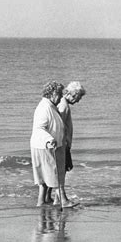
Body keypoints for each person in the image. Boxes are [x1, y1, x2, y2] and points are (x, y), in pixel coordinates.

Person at [30, 80, 76, 208]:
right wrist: (49, 139)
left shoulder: (50, 106)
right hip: (46, 146)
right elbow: (39, 128)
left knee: (47, 176)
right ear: (53, 93)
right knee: (55, 173)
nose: (62, 97)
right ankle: (63, 201)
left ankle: (42, 202)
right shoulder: (45, 108)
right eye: (60, 94)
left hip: (45, 145)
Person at [52, 81, 86, 205]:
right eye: (78, 97)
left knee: (63, 170)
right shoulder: (64, 106)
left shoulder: (63, 104)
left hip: (63, 142)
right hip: (62, 143)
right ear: (72, 94)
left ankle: (57, 199)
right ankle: (62, 199)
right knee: (62, 171)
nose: (78, 100)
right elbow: (58, 125)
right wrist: (64, 144)